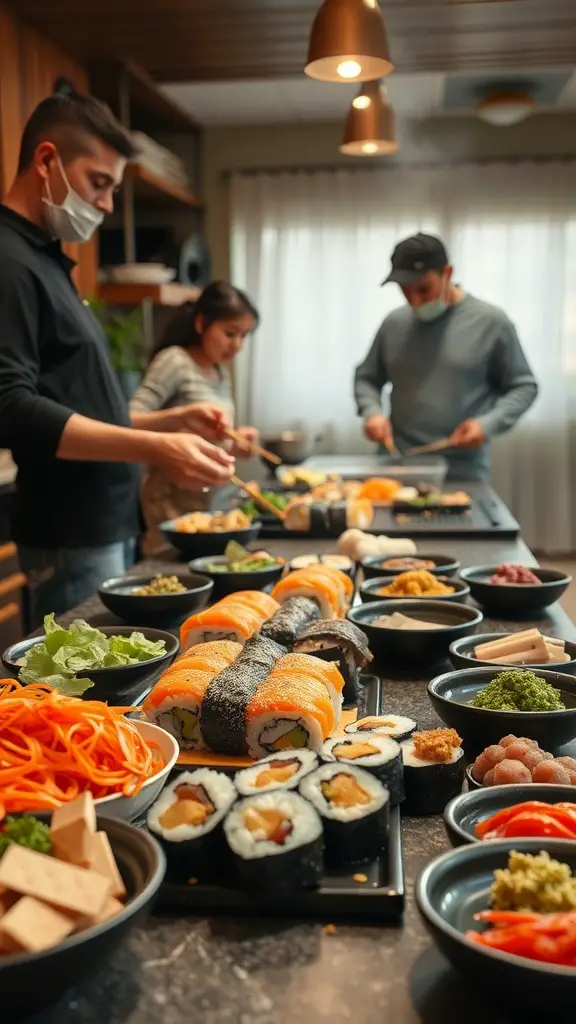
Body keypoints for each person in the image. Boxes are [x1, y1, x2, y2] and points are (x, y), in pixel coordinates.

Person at [0, 92, 235, 625]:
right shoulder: (8, 260)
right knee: (79, 697)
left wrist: (170, 421)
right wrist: (153, 446)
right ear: (46, 161)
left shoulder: (47, 260)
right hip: (70, 533)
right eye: (98, 182)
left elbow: (74, 406)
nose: (105, 205)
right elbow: (11, 407)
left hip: (103, 526)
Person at [354, 233, 538, 481]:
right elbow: (367, 378)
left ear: (447, 273)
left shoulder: (491, 323)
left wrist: (487, 424)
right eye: (405, 291)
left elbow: (524, 386)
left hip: (461, 471)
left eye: (423, 289)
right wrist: (372, 412)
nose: (415, 301)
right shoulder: (393, 324)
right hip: (396, 465)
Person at [130, 281, 260, 552]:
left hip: (207, 502)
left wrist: (236, 444)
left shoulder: (220, 371)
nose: (237, 345)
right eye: (229, 333)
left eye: (244, 336)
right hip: (168, 505)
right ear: (201, 324)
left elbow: (211, 436)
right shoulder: (175, 361)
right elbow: (128, 419)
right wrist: (180, 417)